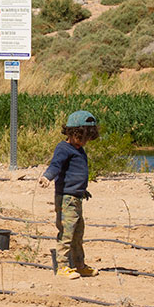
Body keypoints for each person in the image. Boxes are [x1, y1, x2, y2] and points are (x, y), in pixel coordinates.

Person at [39, 110, 100, 279]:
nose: (84, 142)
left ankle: (79, 265)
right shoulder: (63, 148)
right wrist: (47, 177)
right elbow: (56, 166)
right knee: (66, 233)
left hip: (76, 198)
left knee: (78, 234)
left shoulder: (79, 150)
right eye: (81, 138)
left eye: (87, 138)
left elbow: (74, 174)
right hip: (66, 199)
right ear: (72, 133)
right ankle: (63, 266)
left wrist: (81, 189)